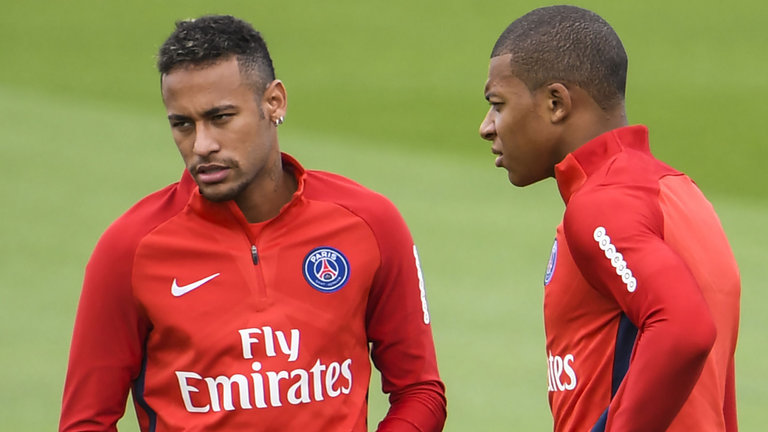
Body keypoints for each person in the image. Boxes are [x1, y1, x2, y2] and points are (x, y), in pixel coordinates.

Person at [60, 14, 446, 432]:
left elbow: (420, 391)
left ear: (274, 102)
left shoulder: (369, 223)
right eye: (183, 124)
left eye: (221, 117)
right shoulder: (129, 249)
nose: (202, 145)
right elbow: (85, 421)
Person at [479, 5, 740, 432]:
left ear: (555, 103)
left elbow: (685, 329)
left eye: (497, 104)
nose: (487, 127)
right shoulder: (678, 191)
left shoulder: (601, 204)